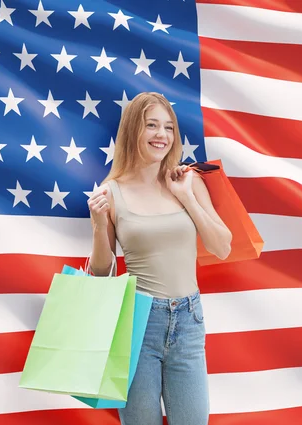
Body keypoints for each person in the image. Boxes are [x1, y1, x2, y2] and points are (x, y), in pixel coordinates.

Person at [86, 92, 232, 425]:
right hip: (139, 323)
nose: (161, 135)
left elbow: (222, 246)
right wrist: (98, 225)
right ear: (132, 131)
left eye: (168, 127)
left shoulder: (187, 181)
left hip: (188, 320)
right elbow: (102, 275)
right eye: (151, 125)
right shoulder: (111, 192)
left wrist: (188, 199)